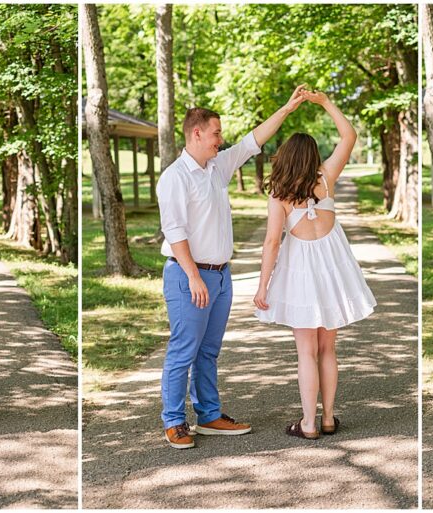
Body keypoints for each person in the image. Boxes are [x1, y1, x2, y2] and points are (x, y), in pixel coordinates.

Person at [156, 85, 308, 449]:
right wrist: (194, 276)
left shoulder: (215, 168)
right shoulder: (175, 177)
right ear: (197, 133)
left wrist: (287, 108)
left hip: (221, 276)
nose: (221, 141)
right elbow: (174, 231)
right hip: (189, 276)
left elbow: (251, 142)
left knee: (208, 351)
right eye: (215, 133)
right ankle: (175, 421)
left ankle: (209, 415)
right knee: (184, 350)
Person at [253, 89, 376, 440]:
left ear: (286, 158)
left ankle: (308, 423)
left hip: (301, 275)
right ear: (312, 157)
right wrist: (325, 103)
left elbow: (272, 243)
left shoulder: (279, 194)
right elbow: (349, 136)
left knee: (305, 351)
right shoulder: (326, 178)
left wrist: (263, 286)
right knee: (327, 348)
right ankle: (328, 417)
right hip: (333, 270)